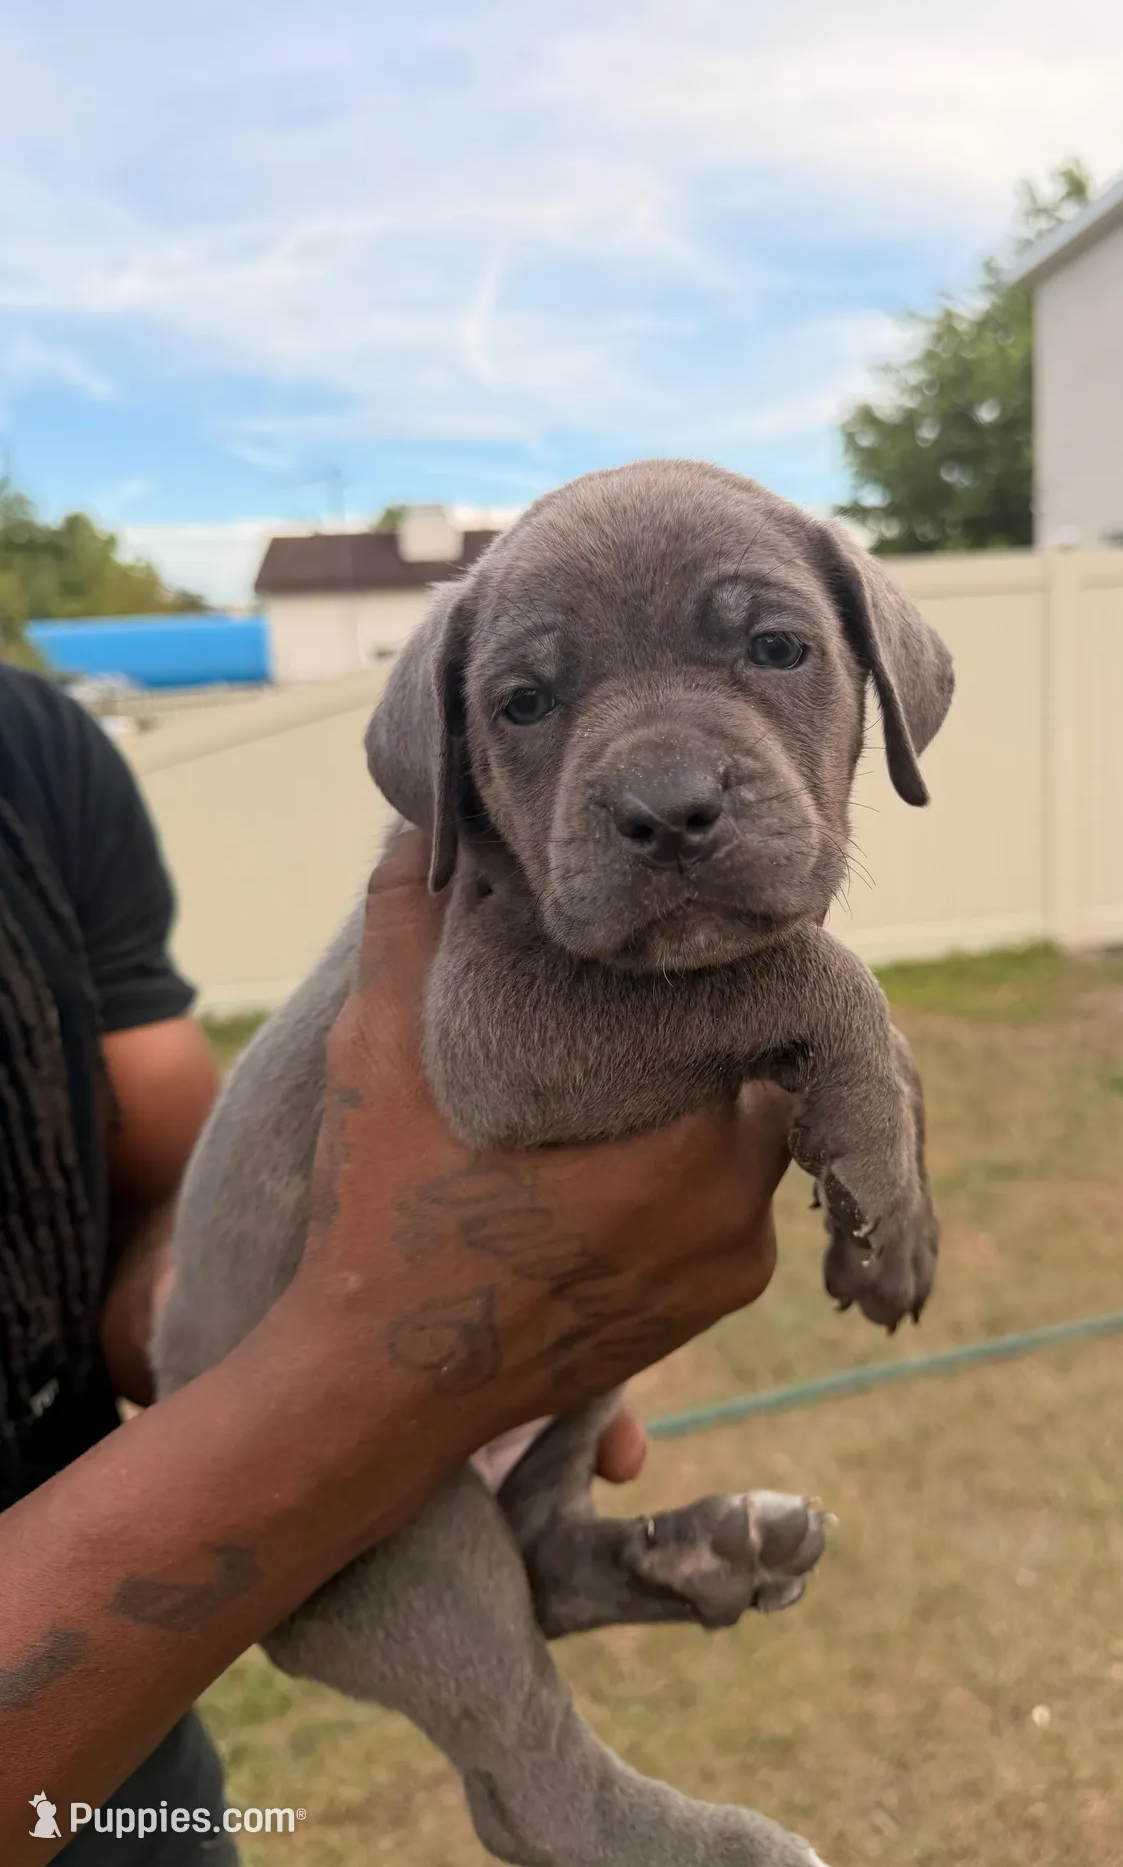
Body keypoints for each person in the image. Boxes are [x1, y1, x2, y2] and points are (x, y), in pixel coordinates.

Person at [0, 662, 793, 1862]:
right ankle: (553, 1790)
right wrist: (359, 1385)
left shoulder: (34, 750)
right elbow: (346, 1390)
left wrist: (355, 1287)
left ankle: (551, 1557)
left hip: (134, 1783)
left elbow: (147, 1208)